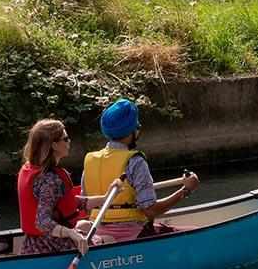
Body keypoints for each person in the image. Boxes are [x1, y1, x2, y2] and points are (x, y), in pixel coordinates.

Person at [80, 98, 199, 242]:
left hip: (97, 230)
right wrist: (185, 191)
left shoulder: (90, 160)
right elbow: (150, 210)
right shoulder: (135, 161)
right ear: (133, 130)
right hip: (133, 233)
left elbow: (85, 208)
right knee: (196, 232)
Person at [17, 119, 113, 256]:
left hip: (33, 244)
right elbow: (42, 222)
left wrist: (105, 199)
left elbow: (69, 203)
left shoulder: (30, 169)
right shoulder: (51, 180)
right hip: (53, 246)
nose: (69, 142)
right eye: (66, 139)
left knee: (86, 225)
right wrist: (72, 234)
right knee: (111, 240)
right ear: (54, 145)